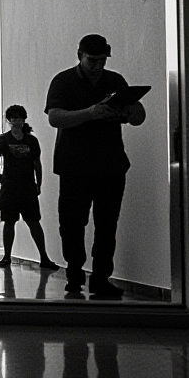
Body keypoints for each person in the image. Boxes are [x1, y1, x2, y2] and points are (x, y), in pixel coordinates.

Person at [45, 34, 146, 298]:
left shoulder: (115, 81)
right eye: (92, 60)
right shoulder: (63, 81)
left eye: (102, 61)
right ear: (79, 55)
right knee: (72, 223)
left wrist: (125, 113)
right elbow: (55, 118)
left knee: (106, 225)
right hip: (74, 166)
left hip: (110, 165)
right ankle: (75, 274)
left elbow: (139, 116)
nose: (97, 66)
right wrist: (91, 113)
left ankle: (100, 278)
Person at [0, 104, 57, 270]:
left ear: (24, 119)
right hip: (10, 189)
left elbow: (37, 163)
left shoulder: (31, 140)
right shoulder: (3, 140)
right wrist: (3, 180)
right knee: (9, 222)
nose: (16, 121)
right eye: (13, 118)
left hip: (28, 188)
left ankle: (44, 257)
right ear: (9, 120)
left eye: (19, 117)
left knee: (34, 222)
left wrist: (38, 183)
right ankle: (7, 256)